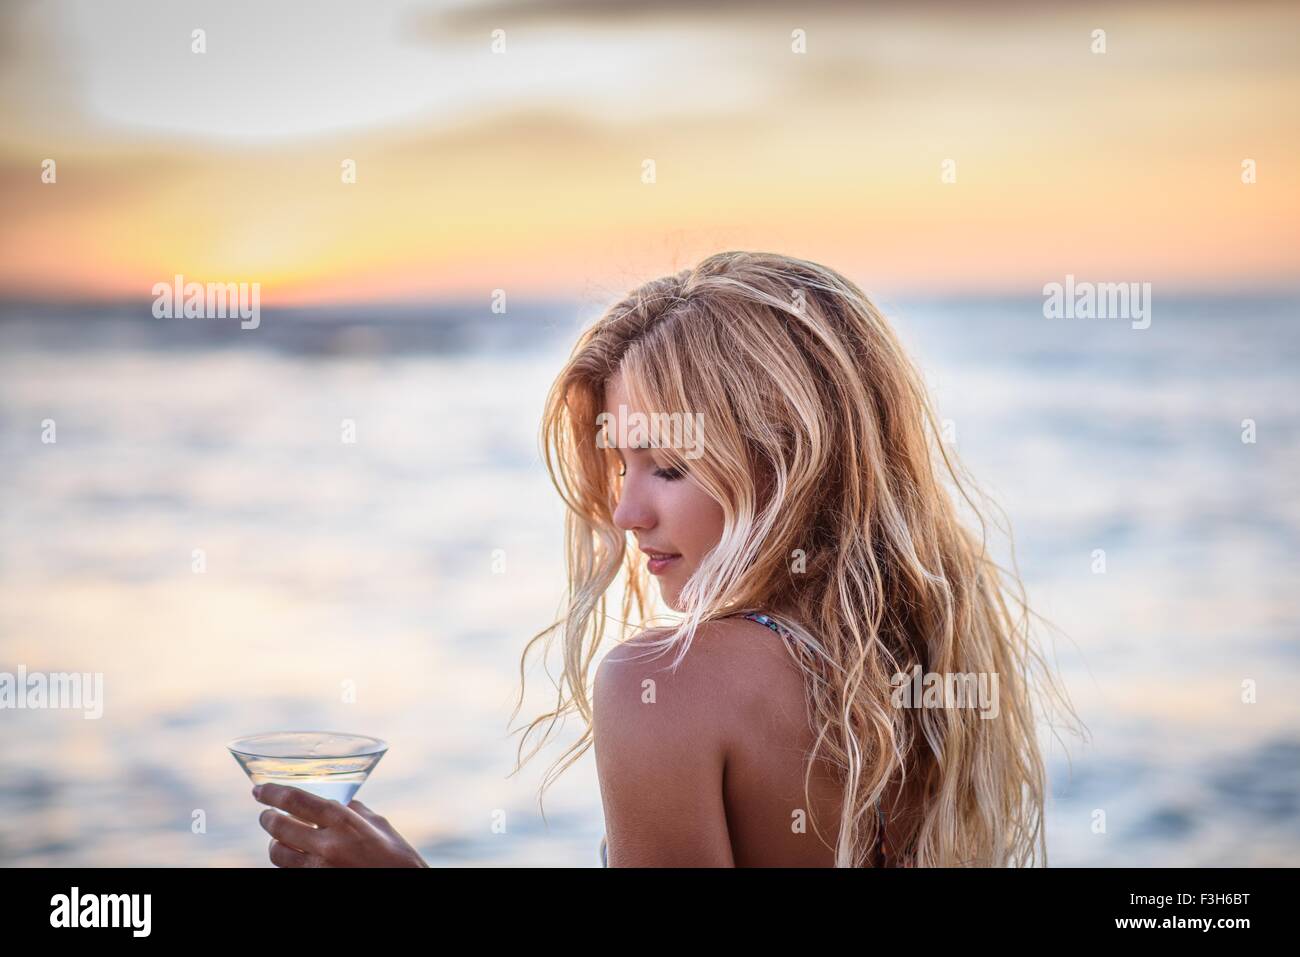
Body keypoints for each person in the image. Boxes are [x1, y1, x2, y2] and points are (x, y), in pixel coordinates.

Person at [254, 250, 1076, 867]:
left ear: (789, 460)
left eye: (670, 467)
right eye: (622, 465)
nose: (625, 512)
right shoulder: (923, 666)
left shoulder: (665, 684)